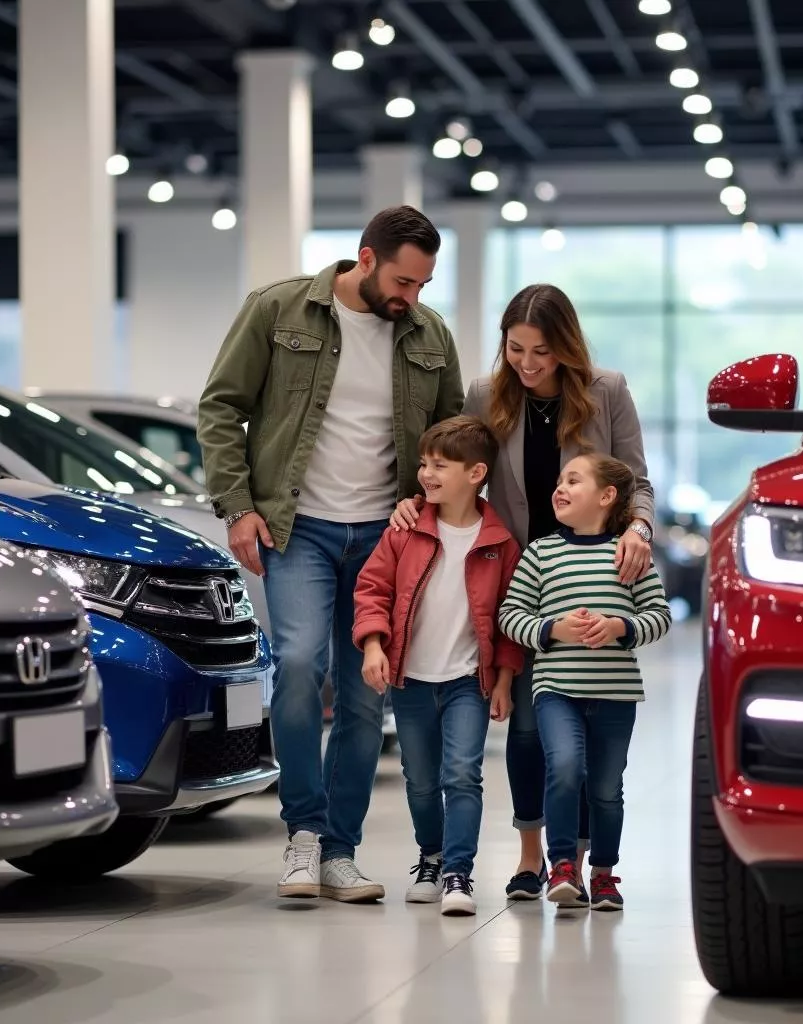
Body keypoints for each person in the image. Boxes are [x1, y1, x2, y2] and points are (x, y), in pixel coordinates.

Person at [197, 206, 464, 903]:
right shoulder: (280, 309)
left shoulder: (429, 334)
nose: (412, 297)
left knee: (362, 693)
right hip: (299, 527)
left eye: (424, 284)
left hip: (386, 535)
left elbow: (453, 435)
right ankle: (303, 834)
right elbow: (222, 406)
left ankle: (341, 852)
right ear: (367, 259)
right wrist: (239, 505)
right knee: (297, 664)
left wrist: (437, 517)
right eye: (405, 280)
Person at [390, 283, 655, 899]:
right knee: (531, 729)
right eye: (517, 349)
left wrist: (638, 527)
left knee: (589, 732)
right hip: (517, 578)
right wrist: (416, 500)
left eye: (543, 351)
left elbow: (637, 480)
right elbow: (457, 464)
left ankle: (581, 860)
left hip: (589, 575)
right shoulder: (487, 394)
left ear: (567, 346)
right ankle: (533, 855)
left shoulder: (607, 390)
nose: (529, 364)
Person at [352, 416, 523, 916]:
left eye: (438, 465)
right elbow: (372, 590)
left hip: (470, 681)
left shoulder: (499, 543)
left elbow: (511, 621)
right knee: (421, 779)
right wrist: (373, 646)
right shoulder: (405, 532)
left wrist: (506, 680)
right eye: (424, 463)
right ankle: (430, 856)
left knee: (462, 775)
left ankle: (458, 875)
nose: (425, 474)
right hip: (411, 681)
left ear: (475, 473)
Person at [498, 453, 672, 911]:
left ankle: (604, 874)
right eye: (559, 479)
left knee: (606, 788)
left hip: (616, 694)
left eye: (573, 480)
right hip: (556, 691)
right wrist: (551, 628)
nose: (559, 487)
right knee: (565, 768)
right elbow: (510, 616)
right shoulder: (540, 552)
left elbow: (659, 616)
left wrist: (620, 626)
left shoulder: (628, 555)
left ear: (606, 496)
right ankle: (561, 867)